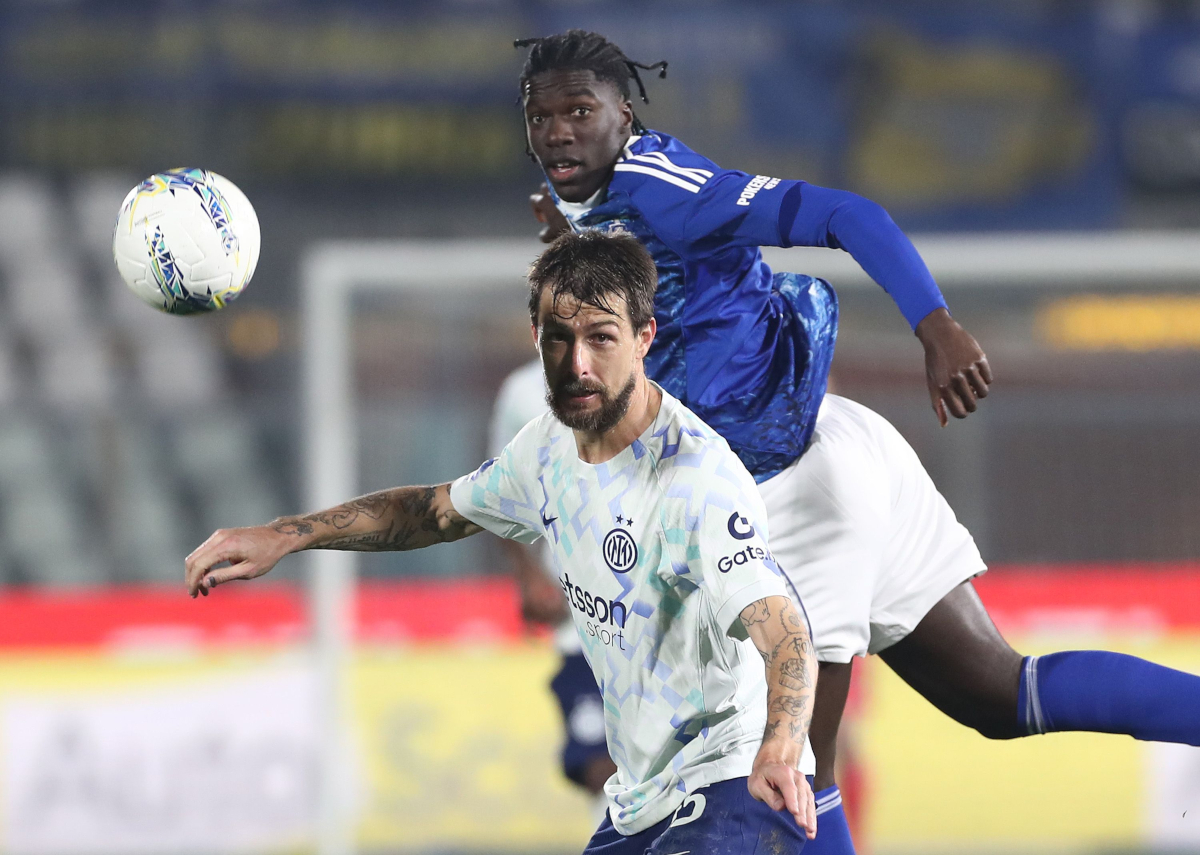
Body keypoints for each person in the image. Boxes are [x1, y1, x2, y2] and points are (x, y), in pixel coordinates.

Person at [514, 29, 1200, 853]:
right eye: (541, 116)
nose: (558, 131)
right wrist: (575, 236)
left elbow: (848, 213)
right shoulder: (595, 200)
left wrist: (935, 325)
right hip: (832, 446)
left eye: (579, 112)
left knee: (793, 769)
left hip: (791, 489)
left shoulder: (665, 189)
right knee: (998, 692)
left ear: (624, 116)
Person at [186, 232, 820, 853]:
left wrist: (780, 745)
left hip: (731, 780)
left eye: (602, 338)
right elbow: (433, 512)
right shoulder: (545, 448)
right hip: (643, 800)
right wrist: (282, 535)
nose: (578, 364)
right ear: (535, 338)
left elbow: (786, 632)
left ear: (644, 338)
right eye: (559, 338)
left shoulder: (696, 481)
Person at [488, 359, 617, 810]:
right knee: (601, 766)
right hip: (580, 619)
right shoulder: (523, 391)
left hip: (658, 615)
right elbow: (498, 488)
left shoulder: (656, 374)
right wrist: (528, 574)